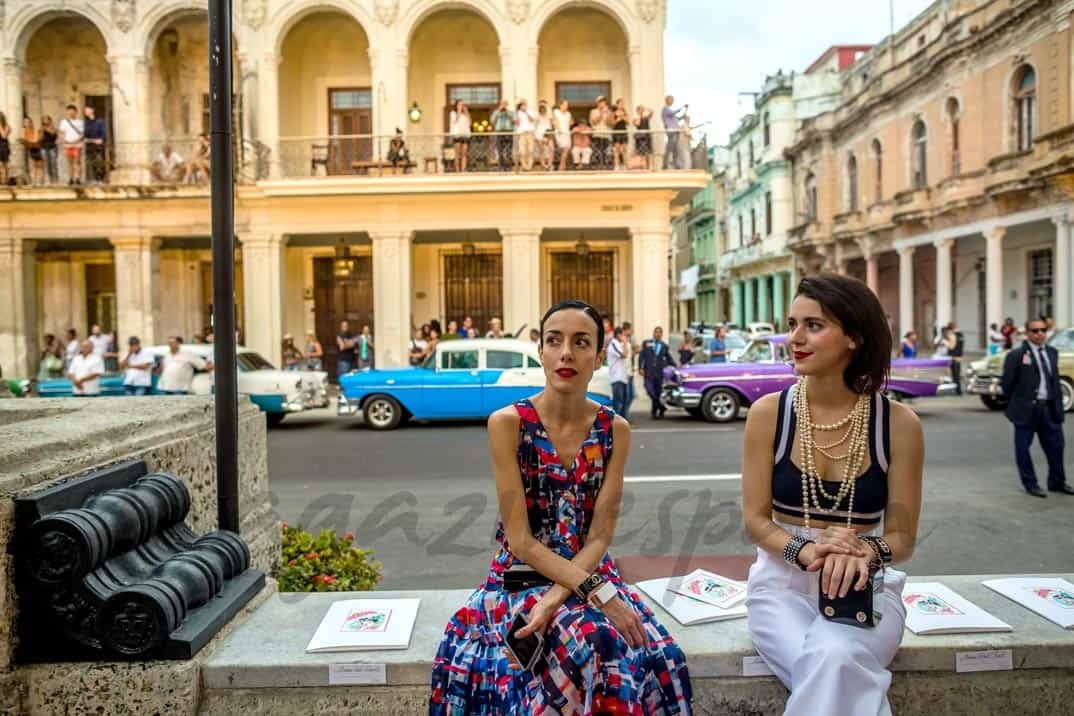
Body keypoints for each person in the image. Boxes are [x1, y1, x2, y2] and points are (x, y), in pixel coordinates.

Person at [429, 300, 692, 714]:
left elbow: (601, 535)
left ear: (599, 356)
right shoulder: (508, 424)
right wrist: (590, 596)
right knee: (598, 642)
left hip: (589, 572)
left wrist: (562, 597)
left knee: (662, 658)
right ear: (541, 351)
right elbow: (520, 540)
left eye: (581, 342)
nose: (566, 352)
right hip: (521, 580)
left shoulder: (614, 430)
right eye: (555, 340)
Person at [741, 273, 924, 715]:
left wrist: (861, 552)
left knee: (835, 656)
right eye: (792, 323)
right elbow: (756, 521)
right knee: (834, 663)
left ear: (854, 338)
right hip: (780, 588)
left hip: (866, 587)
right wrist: (807, 551)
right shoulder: (769, 414)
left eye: (814, 326)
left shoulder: (898, 424)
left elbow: (902, 538)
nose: (795, 338)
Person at [1001, 318, 1072, 498]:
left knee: (1056, 447)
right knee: (1023, 449)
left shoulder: (1052, 352)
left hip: (1049, 408)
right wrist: (1013, 407)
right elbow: (1007, 384)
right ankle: (1030, 483)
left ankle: (1057, 481)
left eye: (1043, 330)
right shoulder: (1016, 355)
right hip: (1026, 411)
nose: (1040, 334)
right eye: (1035, 331)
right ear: (1027, 333)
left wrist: (1058, 406)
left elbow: (1054, 380)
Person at [638, 326, 676, 419]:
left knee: (658, 393)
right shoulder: (647, 343)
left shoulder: (664, 346)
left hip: (659, 373)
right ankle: (662, 407)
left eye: (660, 332)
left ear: (662, 334)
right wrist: (640, 367)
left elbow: (668, 357)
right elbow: (641, 356)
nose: (658, 334)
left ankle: (655, 412)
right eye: (656, 332)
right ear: (653, 333)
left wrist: (676, 365)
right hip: (648, 372)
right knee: (650, 391)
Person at [607, 325, 630, 416]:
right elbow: (624, 355)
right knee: (618, 403)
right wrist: (625, 343)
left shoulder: (619, 344)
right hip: (616, 378)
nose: (625, 337)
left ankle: (622, 424)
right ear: (618, 335)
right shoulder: (613, 345)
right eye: (623, 335)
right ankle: (615, 424)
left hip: (623, 377)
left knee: (624, 401)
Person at [59, 105, 84, 185]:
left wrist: (76, 140)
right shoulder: (64, 122)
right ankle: (70, 178)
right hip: (68, 145)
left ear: (76, 112)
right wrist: (64, 140)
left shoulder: (80, 122)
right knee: (70, 162)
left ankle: (78, 178)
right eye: (69, 111)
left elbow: (83, 134)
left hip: (77, 144)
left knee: (77, 162)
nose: (70, 113)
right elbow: (62, 133)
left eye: (72, 111)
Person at [83, 106, 107, 184]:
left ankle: (100, 180)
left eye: (87, 109)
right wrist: (93, 140)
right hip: (89, 146)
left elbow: (103, 136)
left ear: (92, 110)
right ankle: (92, 180)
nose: (85, 111)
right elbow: (85, 136)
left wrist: (98, 140)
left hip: (98, 147)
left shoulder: (99, 121)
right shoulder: (86, 123)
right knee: (90, 163)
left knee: (99, 163)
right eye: (85, 110)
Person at [661, 96, 686, 170]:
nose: (672, 101)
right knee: (670, 148)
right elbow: (672, 113)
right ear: (667, 100)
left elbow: (676, 119)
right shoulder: (665, 109)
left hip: (675, 131)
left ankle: (675, 164)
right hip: (671, 131)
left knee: (675, 148)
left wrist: (683, 116)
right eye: (671, 100)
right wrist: (682, 108)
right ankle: (665, 165)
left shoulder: (669, 111)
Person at [491, 99, 515, 171]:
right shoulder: (496, 112)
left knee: (509, 150)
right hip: (499, 132)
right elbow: (492, 121)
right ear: (500, 104)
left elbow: (514, 121)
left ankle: (508, 166)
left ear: (507, 105)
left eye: (505, 104)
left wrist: (507, 113)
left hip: (508, 131)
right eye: (502, 104)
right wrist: (499, 111)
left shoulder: (511, 112)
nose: (504, 105)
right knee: (500, 150)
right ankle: (501, 166)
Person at [589, 96, 612, 169]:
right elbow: (594, 122)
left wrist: (608, 114)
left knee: (605, 152)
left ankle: (604, 166)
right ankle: (597, 166)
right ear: (597, 103)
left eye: (603, 102)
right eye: (600, 102)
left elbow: (610, 124)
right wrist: (601, 113)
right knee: (597, 152)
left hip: (606, 135)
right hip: (597, 134)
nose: (602, 103)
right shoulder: (593, 111)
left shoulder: (608, 111)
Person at [621, 321, 637, 419]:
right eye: (631, 329)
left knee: (631, 395)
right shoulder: (622, 341)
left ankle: (625, 414)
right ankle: (624, 416)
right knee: (627, 395)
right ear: (626, 330)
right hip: (624, 372)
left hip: (630, 371)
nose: (632, 331)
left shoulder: (630, 340)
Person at [21, 117, 44, 185]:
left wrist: (29, 142)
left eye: (27, 122)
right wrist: (27, 142)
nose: (26, 124)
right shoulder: (23, 131)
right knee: (32, 166)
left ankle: (40, 182)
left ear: (31, 123)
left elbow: (36, 140)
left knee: (39, 166)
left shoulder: (35, 130)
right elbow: (23, 140)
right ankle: (34, 181)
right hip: (29, 149)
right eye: (25, 122)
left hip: (37, 149)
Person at [449, 100, 471, 172]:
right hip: (457, 134)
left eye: (463, 105)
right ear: (456, 105)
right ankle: (457, 170)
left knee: (464, 153)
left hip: (465, 134)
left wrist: (467, 112)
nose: (462, 106)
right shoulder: (453, 113)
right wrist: (458, 110)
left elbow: (470, 123)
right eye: (460, 104)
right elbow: (455, 121)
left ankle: (464, 169)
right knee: (457, 153)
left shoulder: (465, 114)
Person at [515, 100, 536, 171]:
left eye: (524, 104)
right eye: (521, 104)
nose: (523, 105)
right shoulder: (518, 112)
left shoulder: (530, 110)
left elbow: (532, 120)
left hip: (530, 132)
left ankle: (529, 166)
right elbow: (517, 123)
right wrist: (517, 112)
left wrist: (526, 112)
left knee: (531, 150)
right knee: (522, 151)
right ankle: (524, 166)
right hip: (522, 133)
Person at [552, 99, 572, 171]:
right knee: (565, 149)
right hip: (559, 132)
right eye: (564, 105)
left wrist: (571, 122)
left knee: (566, 149)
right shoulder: (556, 112)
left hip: (567, 133)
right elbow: (554, 121)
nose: (566, 106)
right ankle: (562, 166)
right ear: (560, 105)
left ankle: (563, 165)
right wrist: (558, 128)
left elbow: (570, 123)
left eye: (567, 105)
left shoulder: (568, 114)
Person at [534, 101, 554, 171]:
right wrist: (536, 136)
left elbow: (550, 109)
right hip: (539, 134)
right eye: (541, 107)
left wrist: (546, 104)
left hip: (547, 132)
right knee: (541, 150)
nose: (543, 109)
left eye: (544, 107)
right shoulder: (537, 116)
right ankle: (543, 165)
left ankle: (549, 164)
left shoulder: (549, 115)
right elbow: (535, 126)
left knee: (551, 149)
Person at [633, 105, 653, 170]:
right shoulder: (635, 119)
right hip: (640, 138)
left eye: (642, 109)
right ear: (637, 111)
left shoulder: (646, 118)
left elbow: (652, 112)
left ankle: (648, 167)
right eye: (639, 110)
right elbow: (637, 124)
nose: (641, 111)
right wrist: (639, 115)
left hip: (647, 136)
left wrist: (646, 108)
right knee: (641, 153)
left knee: (648, 153)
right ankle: (642, 167)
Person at [611, 100, 630, 171]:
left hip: (624, 132)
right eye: (620, 104)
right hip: (616, 132)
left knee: (624, 150)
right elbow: (612, 124)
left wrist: (623, 117)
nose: (621, 105)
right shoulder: (614, 113)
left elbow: (628, 123)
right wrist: (617, 120)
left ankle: (625, 166)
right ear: (617, 104)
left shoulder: (625, 113)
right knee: (616, 150)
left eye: (622, 104)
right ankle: (617, 166)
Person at [40, 115, 59, 184]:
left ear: (50, 120)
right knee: (46, 165)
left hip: (52, 147)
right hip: (44, 148)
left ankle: (55, 179)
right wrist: (42, 130)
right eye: (43, 120)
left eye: (46, 119)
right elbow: (40, 138)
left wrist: (46, 129)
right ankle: (50, 179)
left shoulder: (53, 128)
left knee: (53, 164)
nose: (44, 121)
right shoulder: (41, 128)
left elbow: (53, 133)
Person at [946, 322, 964, 395]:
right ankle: (958, 390)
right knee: (957, 375)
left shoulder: (952, 335)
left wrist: (946, 343)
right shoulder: (961, 335)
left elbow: (951, 347)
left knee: (954, 375)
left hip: (953, 357)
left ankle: (957, 390)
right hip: (959, 357)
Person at [0, 113, 10, 186]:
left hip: (3, 147)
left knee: (4, 165)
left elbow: (3, 136)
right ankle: (2, 181)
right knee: (0, 165)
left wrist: (0, 126)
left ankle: (5, 182)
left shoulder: (7, 127)